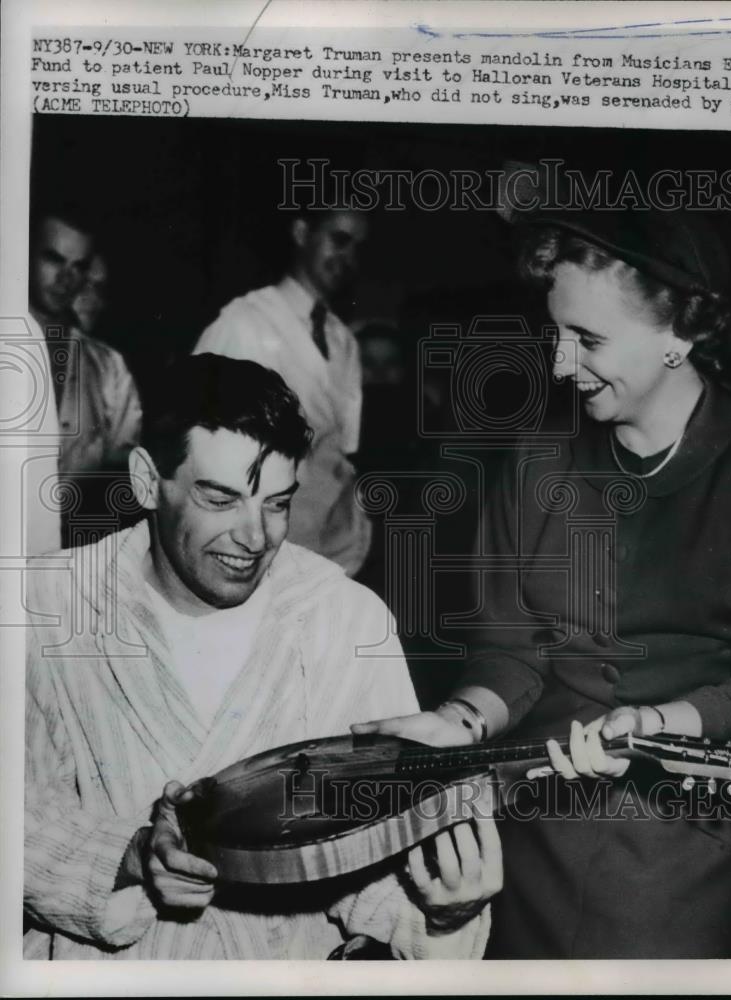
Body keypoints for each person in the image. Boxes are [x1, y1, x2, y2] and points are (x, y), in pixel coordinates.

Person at [354, 207, 731, 958]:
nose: (562, 364)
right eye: (556, 335)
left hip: (693, 836)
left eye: (589, 340)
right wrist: (461, 720)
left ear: (681, 333)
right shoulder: (538, 458)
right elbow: (510, 647)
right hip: (535, 816)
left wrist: (657, 723)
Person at [24, 353, 501, 960]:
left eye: (277, 503)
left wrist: (444, 914)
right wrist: (130, 856)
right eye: (220, 499)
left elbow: (374, 861)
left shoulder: (345, 618)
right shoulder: (46, 605)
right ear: (147, 479)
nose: (256, 538)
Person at [193, 208, 371, 576]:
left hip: (328, 553)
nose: (349, 258)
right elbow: (196, 445)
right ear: (302, 232)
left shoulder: (345, 342)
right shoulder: (245, 322)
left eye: (358, 247)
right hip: (252, 550)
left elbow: (344, 455)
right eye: (339, 240)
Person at [29, 208, 142, 540]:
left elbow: (122, 474)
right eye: (53, 259)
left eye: (77, 266)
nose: (65, 278)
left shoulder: (108, 367)